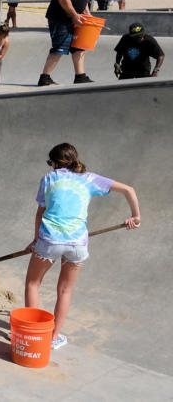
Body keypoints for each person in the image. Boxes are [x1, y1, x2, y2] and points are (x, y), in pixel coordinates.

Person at [24, 143, 141, 350]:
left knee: (33, 284)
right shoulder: (89, 178)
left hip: (50, 241)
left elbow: (39, 213)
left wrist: (35, 240)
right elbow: (128, 190)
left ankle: (33, 336)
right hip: (78, 244)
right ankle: (53, 338)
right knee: (65, 291)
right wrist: (136, 216)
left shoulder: (49, 178)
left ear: (55, 163)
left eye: (50, 162)